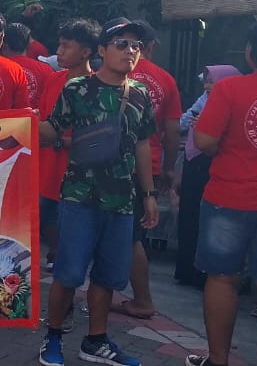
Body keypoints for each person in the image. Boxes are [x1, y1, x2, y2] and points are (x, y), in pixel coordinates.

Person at [184, 17, 257, 366]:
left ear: (251, 52)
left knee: (222, 278)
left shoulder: (230, 89)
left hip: (228, 199)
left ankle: (218, 359)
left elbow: (204, 141)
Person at [39, 17, 158, 366]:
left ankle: (96, 340)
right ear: (102, 51)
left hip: (122, 200)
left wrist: (149, 194)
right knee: (69, 273)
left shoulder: (140, 93)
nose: (130, 51)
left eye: (136, 45)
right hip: (80, 197)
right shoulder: (77, 89)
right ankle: (54, 338)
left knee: (108, 275)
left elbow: (142, 145)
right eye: (122, 44)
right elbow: (53, 129)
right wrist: (21, 125)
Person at [117, 20, 182, 320]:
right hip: (150, 166)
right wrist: (168, 169)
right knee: (132, 235)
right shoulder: (165, 80)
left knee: (128, 237)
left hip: (120, 166)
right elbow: (171, 131)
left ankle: (142, 299)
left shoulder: (110, 73)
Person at [38, 19, 101, 283]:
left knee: (73, 240)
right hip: (45, 172)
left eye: (66, 46)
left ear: (86, 52)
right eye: (59, 46)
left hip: (76, 177)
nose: (59, 51)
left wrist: (61, 141)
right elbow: (41, 122)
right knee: (44, 225)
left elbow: (97, 136)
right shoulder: (53, 80)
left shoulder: (98, 85)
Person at [175, 65, 242, 288]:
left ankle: (204, 275)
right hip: (195, 159)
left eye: (212, 81)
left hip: (215, 162)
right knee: (190, 215)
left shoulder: (234, 101)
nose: (207, 86)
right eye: (206, 81)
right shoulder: (204, 98)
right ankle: (186, 269)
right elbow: (184, 121)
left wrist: (205, 125)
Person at [2, 22, 55, 110]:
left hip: (2, 122)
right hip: (36, 122)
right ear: (29, 45)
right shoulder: (46, 70)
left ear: (3, 46)